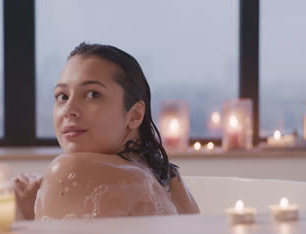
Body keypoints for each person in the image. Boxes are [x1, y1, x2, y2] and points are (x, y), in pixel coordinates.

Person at [14, 42, 199, 220]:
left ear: (135, 115)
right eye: (62, 96)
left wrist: (29, 216)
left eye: (92, 94)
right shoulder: (170, 179)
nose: (69, 110)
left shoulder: (70, 171)